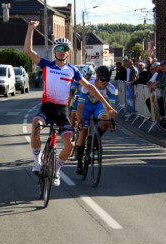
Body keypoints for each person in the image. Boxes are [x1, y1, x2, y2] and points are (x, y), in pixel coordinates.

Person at [24, 21, 116, 186]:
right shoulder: (46, 65)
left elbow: (90, 88)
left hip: (61, 111)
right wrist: (30, 29)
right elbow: (28, 52)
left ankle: (57, 170)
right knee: (35, 125)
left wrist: (107, 105)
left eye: (65, 49)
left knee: (70, 144)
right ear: (54, 51)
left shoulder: (73, 70)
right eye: (59, 48)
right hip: (47, 108)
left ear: (68, 52)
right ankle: (37, 161)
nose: (62, 51)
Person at [75, 66, 116, 175]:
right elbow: (80, 107)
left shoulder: (110, 88)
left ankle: (95, 140)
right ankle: (79, 163)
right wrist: (80, 122)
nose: (105, 82)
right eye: (103, 79)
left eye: (107, 79)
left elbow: (111, 108)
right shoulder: (87, 86)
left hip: (98, 106)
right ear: (97, 77)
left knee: (106, 121)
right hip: (85, 108)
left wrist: (113, 121)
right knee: (82, 133)